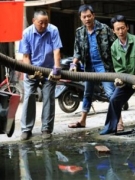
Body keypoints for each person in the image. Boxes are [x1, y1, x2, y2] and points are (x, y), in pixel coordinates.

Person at [67, 4, 124, 131]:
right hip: (88, 66)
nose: (87, 19)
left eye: (89, 16)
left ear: (93, 15)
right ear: (81, 18)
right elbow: (76, 51)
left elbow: (116, 46)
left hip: (104, 66)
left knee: (110, 93)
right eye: (84, 17)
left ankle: (119, 120)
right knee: (87, 93)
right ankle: (82, 120)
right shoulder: (79, 32)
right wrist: (73, 64)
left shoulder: (104, 29)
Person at [19, 10, 63, 140]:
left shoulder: (53, 30)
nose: (44, 25)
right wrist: (30, 71)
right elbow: (26, 56)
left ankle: (46, 129)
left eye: (46, 22)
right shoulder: (26, 33)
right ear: (33, 21)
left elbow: (56, 50)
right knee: (28, 96)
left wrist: (57, 68)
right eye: (40, 23)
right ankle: (26, 129)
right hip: (32, 68)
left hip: (49, 69)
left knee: (49, 97)